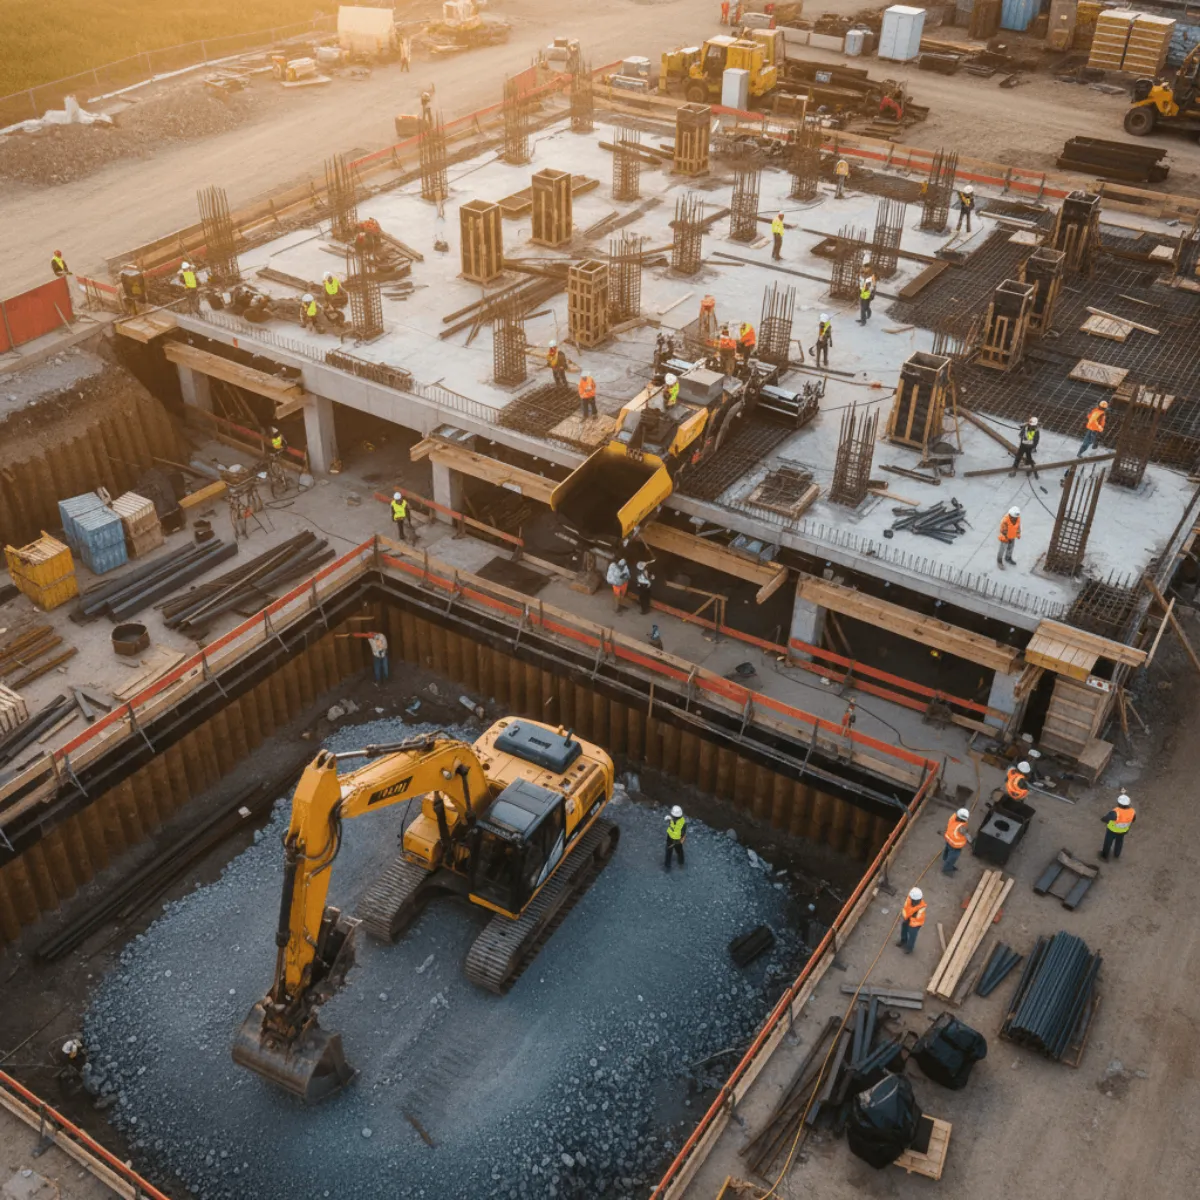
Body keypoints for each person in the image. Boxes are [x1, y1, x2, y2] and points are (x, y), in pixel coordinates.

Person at [1100, 793, 1136, 861]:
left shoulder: (1116, 812)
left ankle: (1104, 856)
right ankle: (1117, 854)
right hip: (1123, 831)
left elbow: (1106, 819)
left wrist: (1102, 819)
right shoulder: (1132, 812)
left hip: (1112, 830)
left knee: (1108, 843)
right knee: (1119, 842)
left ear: (1119, 803)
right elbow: (1133, 820)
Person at [897, 886, 926, 953]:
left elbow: (917, 918)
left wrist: (910, 917)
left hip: (916, 924)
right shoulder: (909, 900)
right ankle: (903, 941)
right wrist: (906, 918)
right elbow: (905, 908)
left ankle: (909, 948)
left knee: (912, 935)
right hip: (908, 918)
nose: (915, 902)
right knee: (904, 928)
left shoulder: (921, 907)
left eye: (917, 901)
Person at [943, 807, 971, 873]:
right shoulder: (961, 827)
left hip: (949, 840)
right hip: (955, 846)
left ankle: (945, 858)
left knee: (947, 850)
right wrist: (971, 841)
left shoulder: (953, 818)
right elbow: (966, 835)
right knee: (952, 858)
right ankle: (947, 870)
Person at [664, 804, 687, 870]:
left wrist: (678, 841)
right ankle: (667, 866)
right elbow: (671, 824)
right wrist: (668, 819)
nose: (672, 817)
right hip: (670, 838)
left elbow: (683, 834)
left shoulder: (682, 823)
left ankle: (681, 863)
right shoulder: (672, 818)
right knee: (668, 852)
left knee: (679, 852)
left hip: (677, 840)